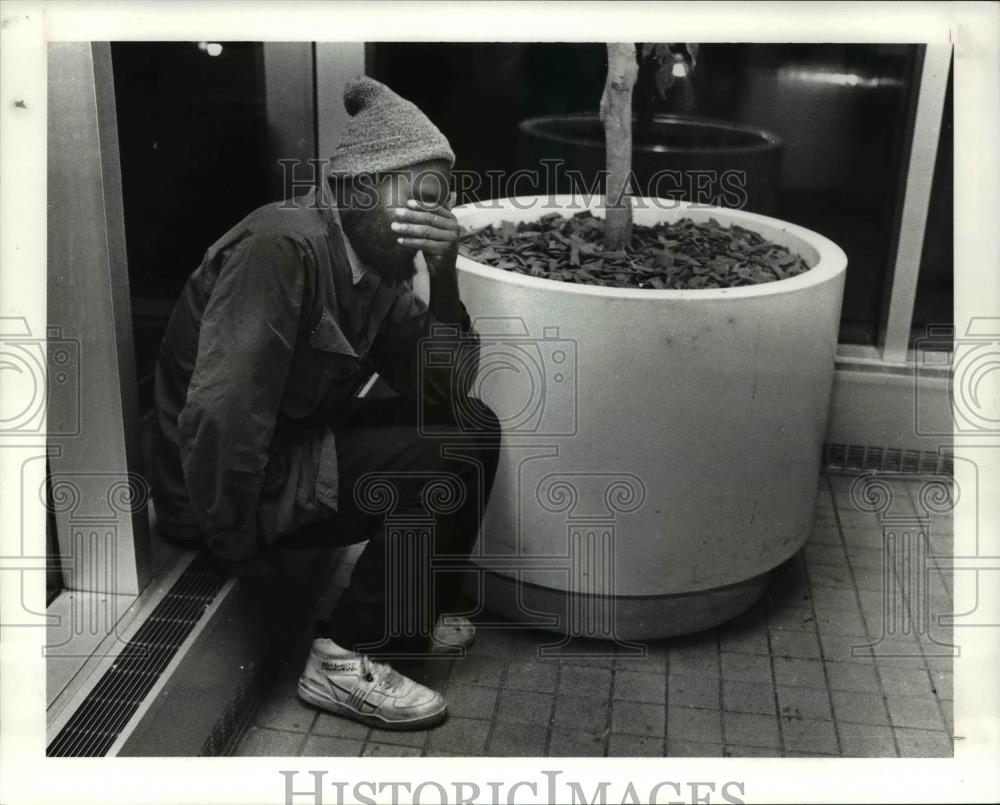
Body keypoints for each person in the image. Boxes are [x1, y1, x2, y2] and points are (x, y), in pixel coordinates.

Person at [151, 76, 500, 731]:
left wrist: (445, 274)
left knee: (468, 427)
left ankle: (408, 611)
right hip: (224, 494)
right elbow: (223, 414)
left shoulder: (379, 270)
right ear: (361, 188)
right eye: (419, 198)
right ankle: (350, 655)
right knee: (446, 448)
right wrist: (235, 542)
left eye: (440, 205)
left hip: (286, 460)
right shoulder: (283, 245)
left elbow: (448, 395)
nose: (432, 218)